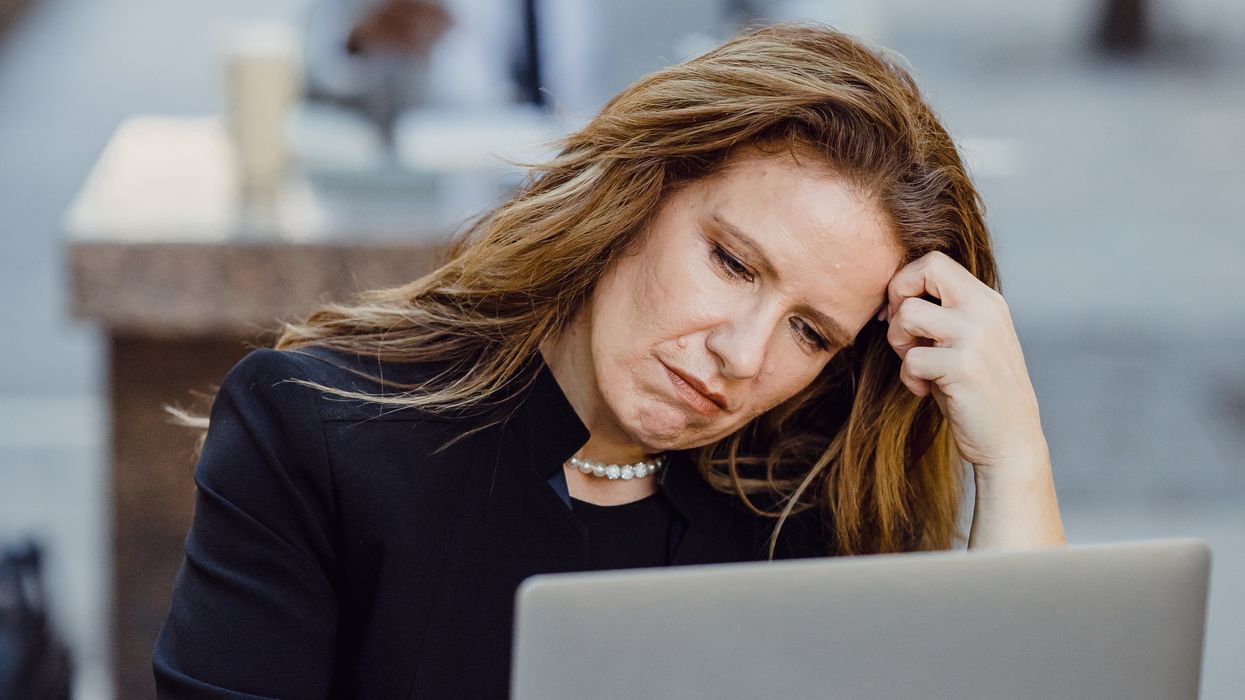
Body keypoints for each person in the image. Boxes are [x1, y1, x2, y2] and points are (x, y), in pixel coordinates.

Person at [153, 22, 1065, 698]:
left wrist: (1015, 458)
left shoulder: (804, 516)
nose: (740, 355)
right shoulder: (317, 432)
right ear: (638, 196)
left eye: (811, 333)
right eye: (732, 262)